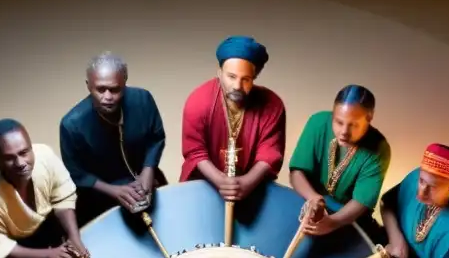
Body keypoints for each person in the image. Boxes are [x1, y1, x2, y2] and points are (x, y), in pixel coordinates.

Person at [0, 119, 91, 258]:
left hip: (49, 227)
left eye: (24, 152)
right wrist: (47, 256)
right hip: (19, 247)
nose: (20, 163)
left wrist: (74, 237)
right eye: (9, 158)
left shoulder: (45, 156)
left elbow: (63, 197)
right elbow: (1, 247)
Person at [59, 53, 168, 228]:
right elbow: (76, 173)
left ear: (125, 81)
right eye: (100, 89)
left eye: (115, 89)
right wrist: (114, 191)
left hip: (148, 185)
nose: (108, 97)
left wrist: (148, 171)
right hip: (99, 198)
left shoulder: (143, 100)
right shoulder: (71, 124)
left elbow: (156, 137)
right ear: (88, 86)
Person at [180, 36, 286, 206]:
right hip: (204, 184)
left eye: (246, 79)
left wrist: (247, 182)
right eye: (231, 76)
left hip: (252, 187)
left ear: (255, 76)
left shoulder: (272, 105)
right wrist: (221, 181)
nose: (237, 85)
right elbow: (195, 151)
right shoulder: (198, 101)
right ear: (219, 72)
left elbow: (270, 152)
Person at [289, 85, 391, 239]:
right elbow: (297, 173)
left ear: (369, 118)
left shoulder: (379, 148)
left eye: (353, 125)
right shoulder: (317, 122)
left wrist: (333, 222)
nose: (344, 131)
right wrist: (313, 197)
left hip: (348, 221)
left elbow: (361, 202)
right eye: (338, 122)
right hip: (308, 205)